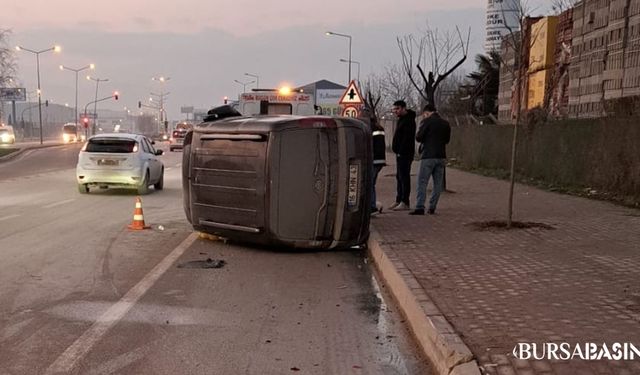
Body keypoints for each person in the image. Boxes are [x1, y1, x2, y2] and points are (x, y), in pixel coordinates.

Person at [410, 103, 451, 215]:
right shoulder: (445, 123)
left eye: (424, 115)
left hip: (428, 156)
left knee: (422, 182)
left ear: (426, 112)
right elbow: (447, 140)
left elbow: (418, 137)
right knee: (437, 184)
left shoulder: (426, 122)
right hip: (441, 156)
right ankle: (432, 207)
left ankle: (420, 207)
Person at [359, 107, 386, 216]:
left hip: (373, 160)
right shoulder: (379, 127)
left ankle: (372, 207)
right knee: (372, 184)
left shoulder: (367, 128)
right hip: (380, 160)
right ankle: (372, 205)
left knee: (369, 184)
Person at [390, 100, 416, 211]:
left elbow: (407, 139)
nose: (395, 111)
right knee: (399, 176)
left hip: (405, 153)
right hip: (399, 153)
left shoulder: (409, 121)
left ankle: (405, 201)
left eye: (397, 109)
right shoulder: (401, 120)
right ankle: (398, 199)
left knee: (404, 176)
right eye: (394, 109)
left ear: (403, 108)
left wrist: (401, 151)